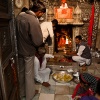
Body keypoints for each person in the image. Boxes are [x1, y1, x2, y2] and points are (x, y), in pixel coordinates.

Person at [16, 1, 46, 100]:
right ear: (40, 12)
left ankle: (21, 94)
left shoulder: (19, 16)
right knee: (29, 74)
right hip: (28, 51)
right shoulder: (33, 20)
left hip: (18, 50)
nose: (41, 15)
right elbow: (37, 41)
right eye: (42, 13)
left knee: (21, 73)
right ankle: (29, 96)